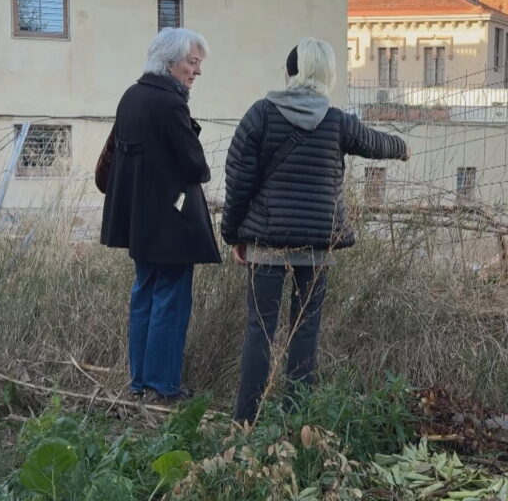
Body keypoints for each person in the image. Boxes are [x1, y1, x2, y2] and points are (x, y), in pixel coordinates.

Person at [221, 37, 409, 423]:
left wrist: (232, 234)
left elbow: (238, 181)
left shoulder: (260, 115)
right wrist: (401, 146)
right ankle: (297, 420)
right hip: (316, 247)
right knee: (304, 331)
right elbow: (375, 143)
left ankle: (245, 422)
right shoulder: (336, 121)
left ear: (290, 73)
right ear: (327, 74)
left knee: (260, 330)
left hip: (265, 244)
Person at [101, 28, 221, 404]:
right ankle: (162, 387)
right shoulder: (170, 104)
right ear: (170, 63)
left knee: (144, 296)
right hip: (171, 226)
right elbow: (196, 166)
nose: (197, 71)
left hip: (139, 223)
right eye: (193, 62)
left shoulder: (131, 96)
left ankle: (139, 383)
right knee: (171, 300)